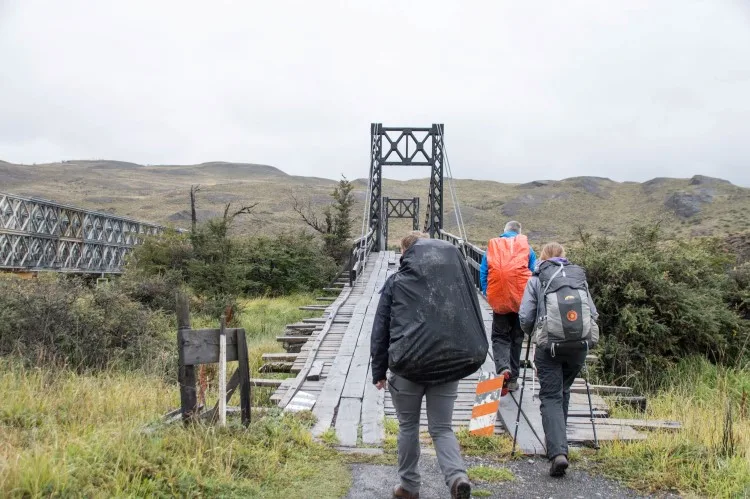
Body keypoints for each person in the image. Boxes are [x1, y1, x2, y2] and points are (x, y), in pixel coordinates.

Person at [371, 231, 488, 499]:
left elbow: (380, 329)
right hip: (447, 365)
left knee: (408, 426)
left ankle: (409, 487)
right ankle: (457, 477)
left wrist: (379, 371)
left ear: (406, 253)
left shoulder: (396, 282)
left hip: (407, 367)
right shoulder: (456, 285)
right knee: (442, 427)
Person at [518, 242, 599, 477]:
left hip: (549, 347)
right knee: (563, 390)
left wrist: (531, 333)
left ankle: (557, 453)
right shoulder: (576, 277)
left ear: (542, 258)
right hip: (578, 347)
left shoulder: (537, 278)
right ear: (564, 257)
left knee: (551, 395)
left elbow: (525, 316)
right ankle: (559, 445)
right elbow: (592, 313)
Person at [479, 220, 537, 393]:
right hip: (521, 300)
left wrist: (488, 292)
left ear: (504, 231)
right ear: (519, 233)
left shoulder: (493, 246)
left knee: (499, 336)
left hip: (499, 298)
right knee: (516, 338)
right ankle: (512, 381)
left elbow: (484, 272)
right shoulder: (528, 248)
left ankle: (503, 368)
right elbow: (533, 274)